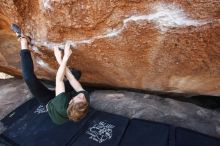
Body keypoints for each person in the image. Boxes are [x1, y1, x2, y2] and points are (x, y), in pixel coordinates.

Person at [11, 23, 90, 125]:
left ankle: (23, 40)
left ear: (71, 101)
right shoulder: (84, 101)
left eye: (79, 98)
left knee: (28, 77)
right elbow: (72, 80)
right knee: (76, 75)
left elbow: (59, 80)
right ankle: (65, 69)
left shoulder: (61, 104)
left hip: (48, 101)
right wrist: (63, 62)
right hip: (63, 98)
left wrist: (61, 58)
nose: (81, 96)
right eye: (83, 98)